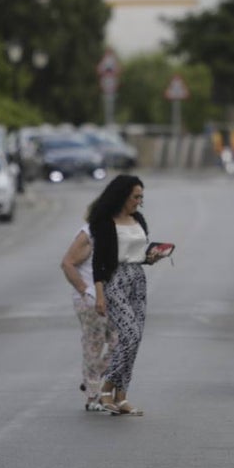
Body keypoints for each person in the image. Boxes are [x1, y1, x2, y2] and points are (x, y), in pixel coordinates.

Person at [89, 174, 168, 416]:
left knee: (136, 338)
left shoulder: (138, 220)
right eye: (136, 196)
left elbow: (138, 253)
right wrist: (100, 296)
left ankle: (121, 396)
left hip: (137, 279)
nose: (139, 201)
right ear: (122, 195)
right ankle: (106, 388)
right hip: (115, 281)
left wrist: (151, 257)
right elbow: (99, 262)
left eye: (141, 197)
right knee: (130, 335)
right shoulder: (104, 221)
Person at [60, 220, 116, 412]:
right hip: (90, 299)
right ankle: (93, 395)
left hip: (111, 297)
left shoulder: (121, 229)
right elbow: (67, 263)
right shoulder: (90, 232)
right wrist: (86, 291)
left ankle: (93, 378)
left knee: (121, 342)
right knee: (94, 345)